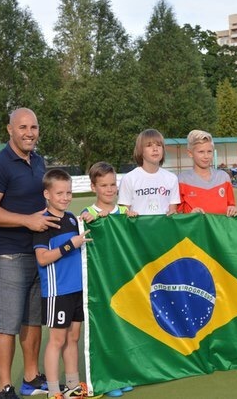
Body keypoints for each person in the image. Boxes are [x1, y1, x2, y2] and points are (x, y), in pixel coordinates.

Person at [0, 108, 61, 399]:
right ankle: (4, 387)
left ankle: (31, 378)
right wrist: (27, 221)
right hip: (8, 255)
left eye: (33, 127)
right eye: (23, 127)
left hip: (38, 253)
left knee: (32, 320)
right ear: (10, 130)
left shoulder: (38, 161)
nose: (29, 133)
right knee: (6, 324)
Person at [33, 169, 94, 399]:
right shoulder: (43, 223)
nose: (65, 197)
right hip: (58, 292)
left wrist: (90, 217)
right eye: (59, 193)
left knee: (73, 338)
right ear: (47, 194)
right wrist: (70, 245)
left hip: (78, 290)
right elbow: (42, 258)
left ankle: (72, 386)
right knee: (57, 340)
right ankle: (54, 391)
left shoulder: (71, 218)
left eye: (68, 192)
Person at [79, 162, 133, 398]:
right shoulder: (89, 214)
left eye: (112, 184)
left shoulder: (124, 211)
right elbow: (83, 227)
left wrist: (133, 219)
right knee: (105, 331)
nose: (109, 189)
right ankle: (107, 380)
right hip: (101, 284)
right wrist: (89, 219)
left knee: (124, 329)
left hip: (123, 281)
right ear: (94, 187)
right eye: (104, 185)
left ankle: (122, 374)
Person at [118, 128, 180, 216]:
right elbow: (123, 214)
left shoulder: (172, 178)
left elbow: (172, 212)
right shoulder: (129, 179)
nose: (155, 149)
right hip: (138, 225)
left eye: (159, 145)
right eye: (149, 145)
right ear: (140, 150)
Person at [177, 129, 237, 216]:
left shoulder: (223, 177)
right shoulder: (182, 180)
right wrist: (190, 215)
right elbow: (177, 214)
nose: (206, 156)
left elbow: (231, 205)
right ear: (190, 153)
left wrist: (232, 208)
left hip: (219, 225)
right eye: (201, 152)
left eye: (209, 151)